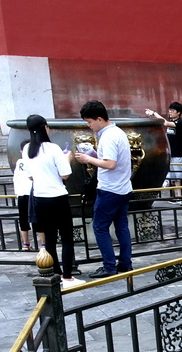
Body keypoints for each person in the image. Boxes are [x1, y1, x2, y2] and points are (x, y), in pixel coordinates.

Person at [20, 114, 81, 285]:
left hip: (40, 198)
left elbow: (31, 177)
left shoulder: (27, 150)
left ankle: (57, 273)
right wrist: (67, 158)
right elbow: (65, 174)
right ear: (45, 128)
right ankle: (68, 276)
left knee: (50, 239)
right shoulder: (53, 148)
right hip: (57, 197)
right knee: (67, 237)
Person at [75, 100, 133, 278]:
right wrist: (93, 154)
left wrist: (88, 159)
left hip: (110, 189)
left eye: (89, 122)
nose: (88, 125)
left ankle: (109, 265)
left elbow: (110, 163)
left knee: (100, 227)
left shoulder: (108, 136)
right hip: (123, 188)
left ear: (99, 119)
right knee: (121, 227)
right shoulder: (117, 132)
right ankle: (125, 264)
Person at [145, 102, 182, 184]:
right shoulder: (172, 121)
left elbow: (165, 123)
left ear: (178, 112)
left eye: (172, 110)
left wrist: (154, 113)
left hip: (178, 154)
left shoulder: (180, 122)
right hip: (171, 153)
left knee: (181, 175)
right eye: (170, 110)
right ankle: (179, 195)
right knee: (174, 177)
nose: (170, 112)